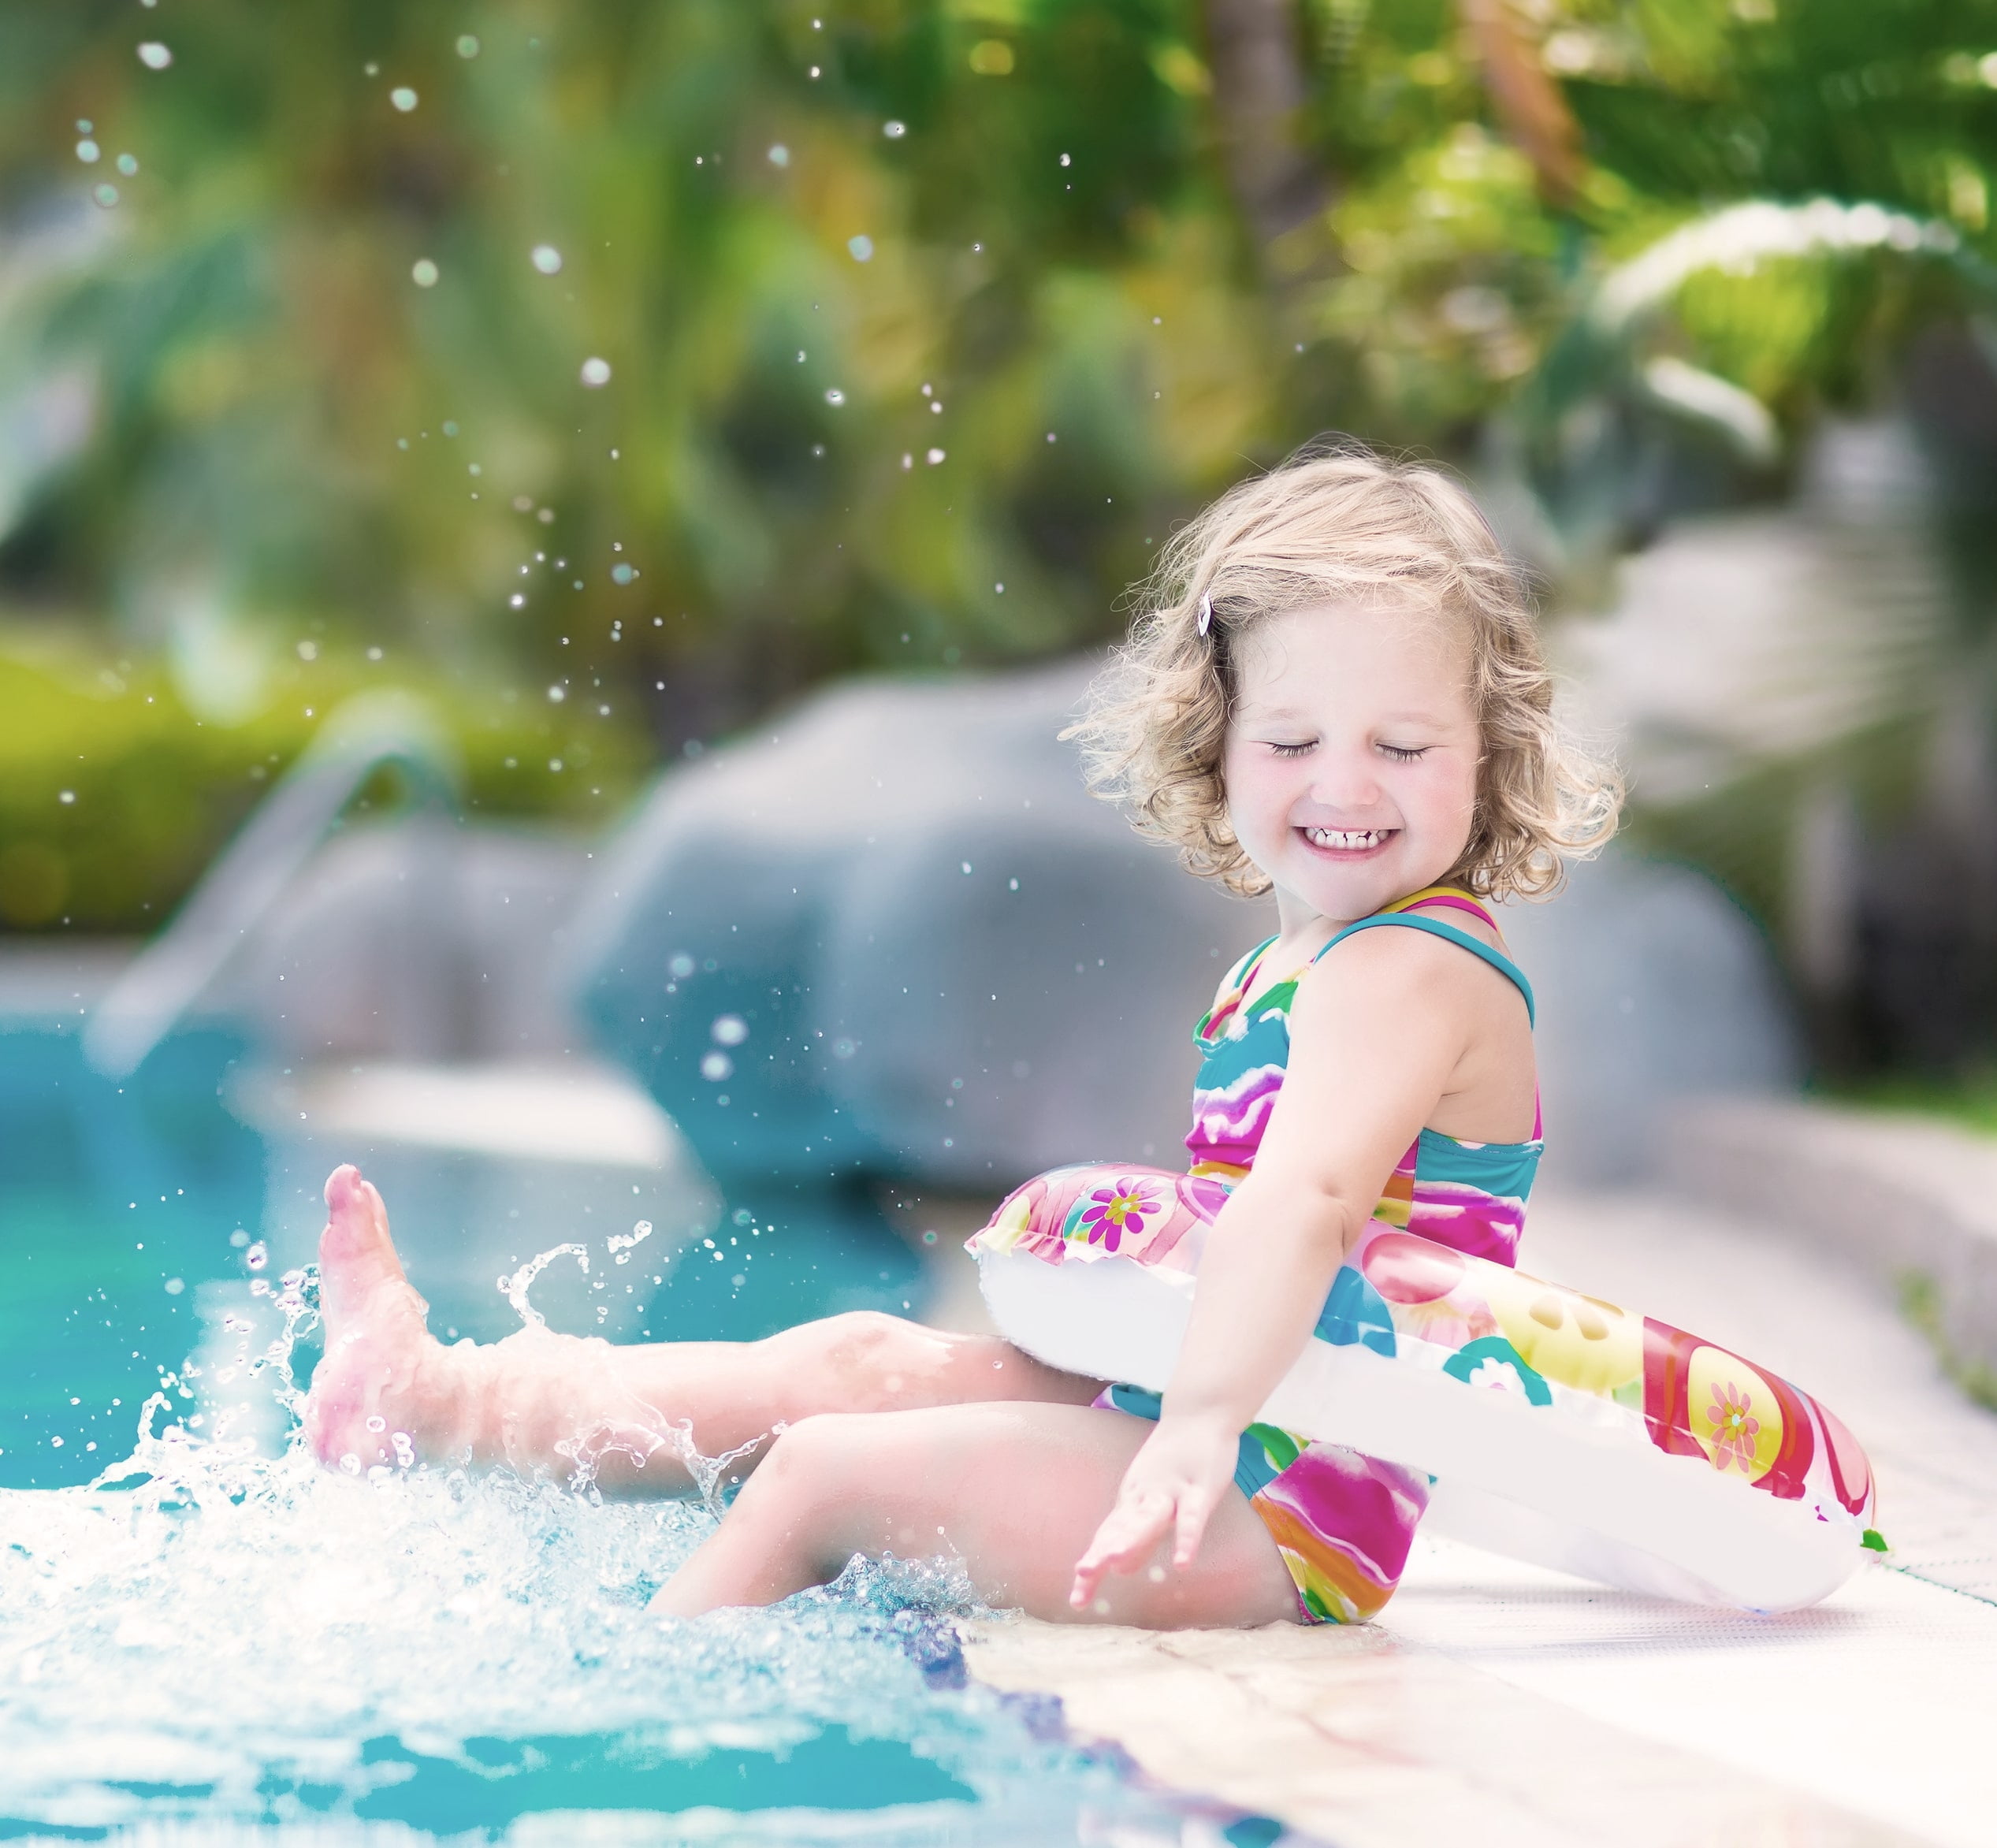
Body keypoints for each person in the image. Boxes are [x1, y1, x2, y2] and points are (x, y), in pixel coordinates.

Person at [303, 442, 1620, 1629]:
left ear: (1488, 752)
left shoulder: (1408, 968)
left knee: (824, 1474)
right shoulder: (1294, 961)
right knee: (847, 1360)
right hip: (1202, 1414)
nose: (1343, 784)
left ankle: (644, 1735)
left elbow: (1305, 1205)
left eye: (1401, 744)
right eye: (1291, 738)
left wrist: (1199, 1425)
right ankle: (437, 1399)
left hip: (1281, 1497)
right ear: (1217, 739)